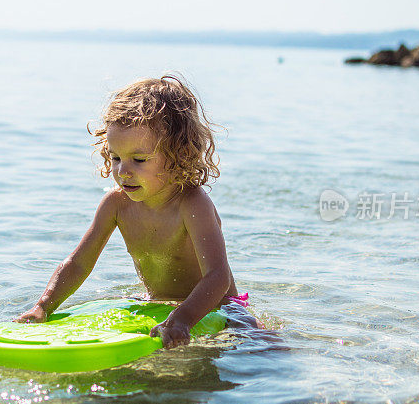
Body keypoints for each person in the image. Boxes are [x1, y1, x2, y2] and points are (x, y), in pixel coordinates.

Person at [15, 75, 262, 347]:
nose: (122, 171)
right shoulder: (116, 205)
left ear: (178, 154)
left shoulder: (192, 204)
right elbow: (79, 263)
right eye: (116, 157)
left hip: (221, 308)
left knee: (260, 349)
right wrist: (43, 306)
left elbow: (218, 276)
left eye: (139, 159)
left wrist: (183, 318)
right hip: (160, 305)